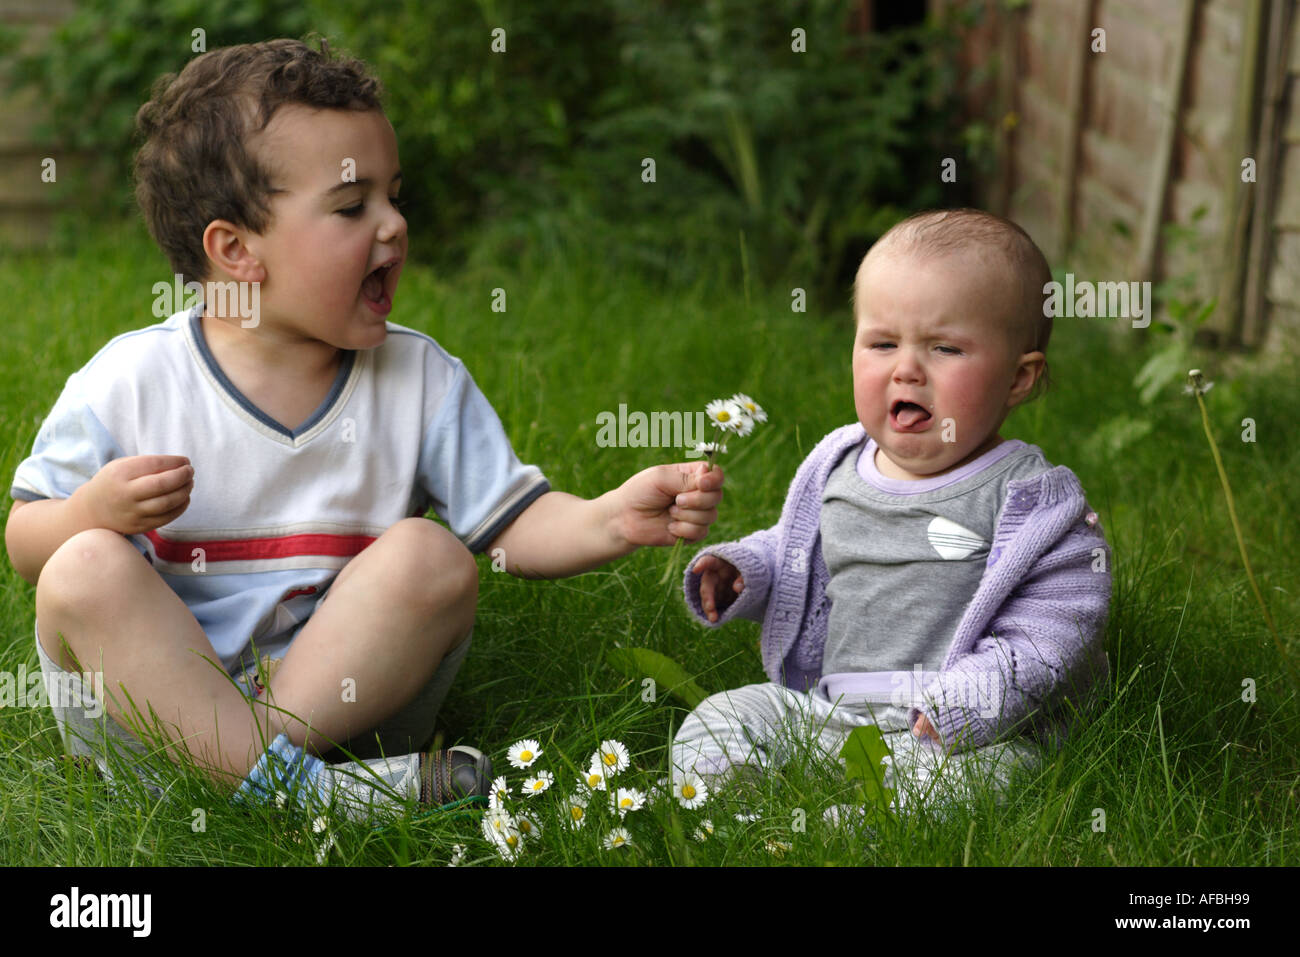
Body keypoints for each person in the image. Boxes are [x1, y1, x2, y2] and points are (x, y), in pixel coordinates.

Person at [4, 39, 723, 821]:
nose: (393, 226)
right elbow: (25, 542)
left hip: (337, 705)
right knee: (81, 568)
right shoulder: (131, 381)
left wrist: (610, 515)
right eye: (352, 207)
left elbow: (513, 525)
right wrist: (92, 514)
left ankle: (258, 775)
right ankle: (309, 789)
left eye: (394, 196)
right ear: (236, 250)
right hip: (155, 710)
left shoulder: (419, 380)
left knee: (434, 555)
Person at [671, 208, 1110, 814]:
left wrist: (966, 703)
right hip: (831, 713)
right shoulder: (841, 463)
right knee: (723, 716)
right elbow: (802, 549)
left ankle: (851, 828)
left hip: (958, 734)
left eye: (945, 347)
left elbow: (1055, 632)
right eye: (881, 343)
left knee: (967, 783)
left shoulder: (1032, 500)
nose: (906, 368)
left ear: (1018, 378)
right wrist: (751, 571)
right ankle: (737, 808)